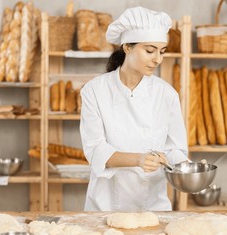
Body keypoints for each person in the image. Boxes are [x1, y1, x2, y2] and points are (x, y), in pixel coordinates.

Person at [79, 6, 188, 212]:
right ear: (127, 47)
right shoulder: (95, 91)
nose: (158, 59)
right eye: (149, 50)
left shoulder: (166, 94)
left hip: (153, 206)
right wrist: (138, 159)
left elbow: (175, 149)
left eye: (162, 51)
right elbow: (95, 150)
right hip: (105, 206)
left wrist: (187, 169)